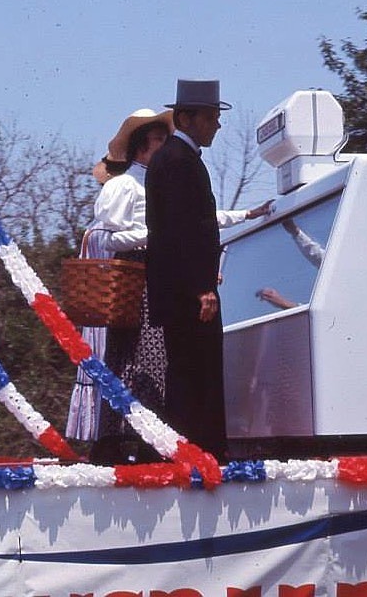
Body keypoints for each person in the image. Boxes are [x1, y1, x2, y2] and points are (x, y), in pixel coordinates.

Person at [67, 104, 270, 464]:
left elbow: (197, 218)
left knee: (158, 362)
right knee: (134, 359)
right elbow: (105, 235)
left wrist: (244, 215)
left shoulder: (158, 179)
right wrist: (158, 236)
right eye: (158, 139)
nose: (165, 144)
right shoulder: (125, 185)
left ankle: (152, 437)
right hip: (136, 278)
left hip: (158, 271)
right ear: (142, 145)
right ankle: (119, 438)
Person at [145, 79, 233, 460]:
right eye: (211, 117)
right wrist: (201, 287)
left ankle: (191, 454)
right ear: (186, 118)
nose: (216, 125)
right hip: (188, 294)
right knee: (197, 374)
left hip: (180, 288)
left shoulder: (174, 159)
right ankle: (201, 457)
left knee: (188, 372)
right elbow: (183, 231)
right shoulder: (179, 161)